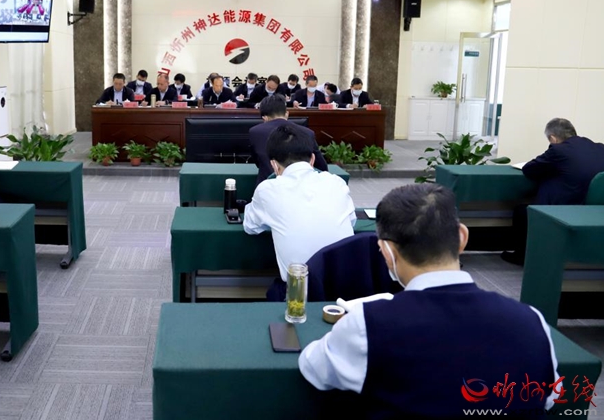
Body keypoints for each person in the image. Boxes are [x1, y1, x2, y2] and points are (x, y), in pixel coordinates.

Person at [299, 184, 560, 419]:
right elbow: (549, 398)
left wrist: (345, 329)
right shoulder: (531, 320)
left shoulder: (367, 325)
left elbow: (314, 368)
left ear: (387, 252)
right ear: (462, 237)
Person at [244, 123, 355, 291]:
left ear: (274, 165)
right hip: (349, 287)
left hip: (300, 292)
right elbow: (351, 221)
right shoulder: (336, 182)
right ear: (312, 159)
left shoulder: (268, 189)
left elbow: (250, 226)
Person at [502, 118, 604, 265]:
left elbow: (529, 169)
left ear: (553, 138)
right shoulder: (600, 148)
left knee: (521, 212)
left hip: (561, 209)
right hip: (592, 211)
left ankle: (522, 256)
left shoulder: (558, 150)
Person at [249, 95, 328, 185]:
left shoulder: (255, 132)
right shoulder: (307, 132)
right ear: (287, 114)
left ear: (265, 118)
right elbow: (321, 166)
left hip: (267, 184)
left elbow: (258, 161)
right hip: (302, 185)